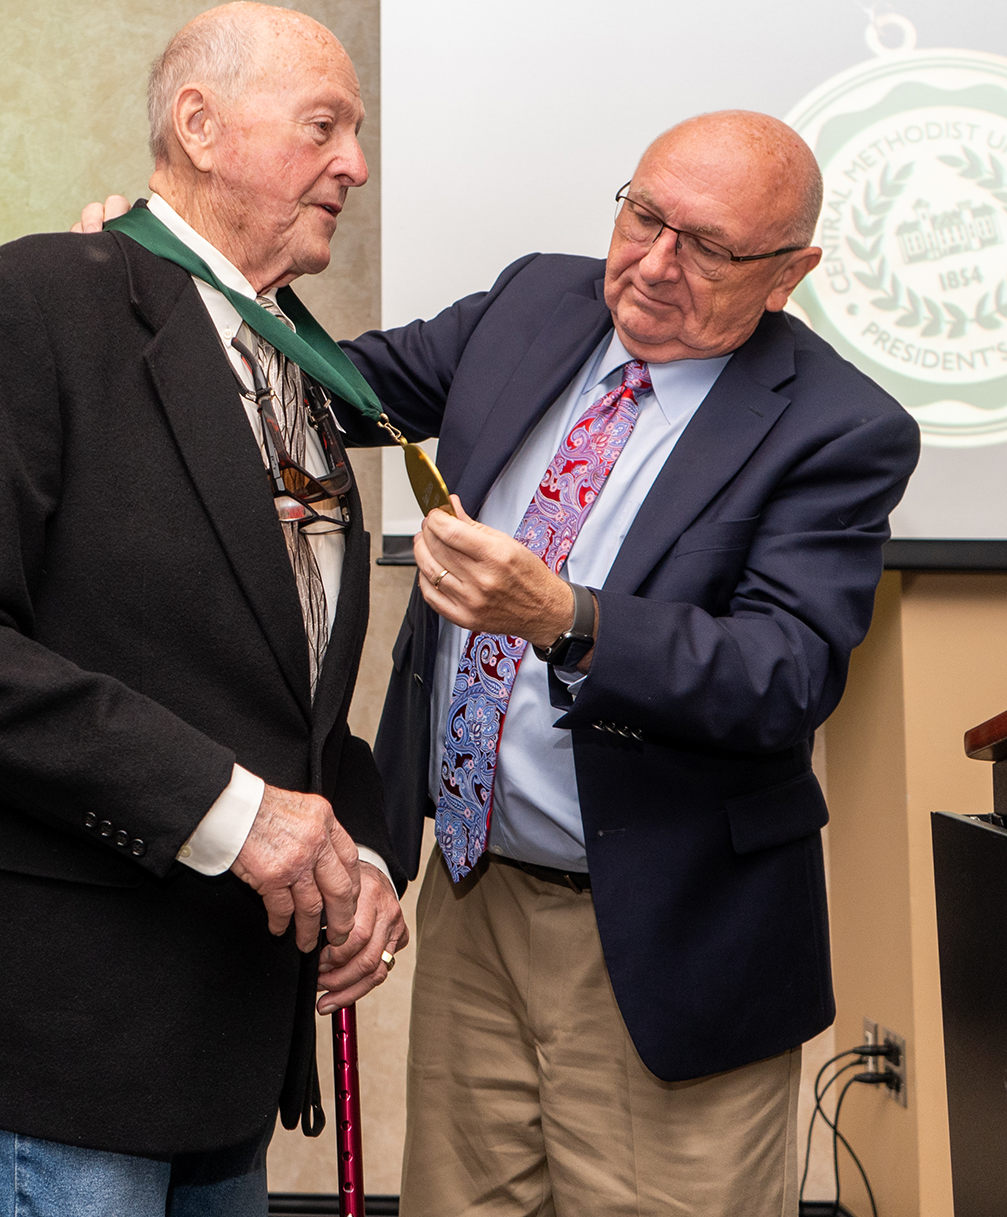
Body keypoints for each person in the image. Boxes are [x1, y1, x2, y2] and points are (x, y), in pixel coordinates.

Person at [0, 2, 407, 1217]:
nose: (354, 166)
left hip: (230, 1016)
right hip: (75, 1018)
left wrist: (351, 848)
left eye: (356, 134)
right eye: (323, 126)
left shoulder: (296, 362)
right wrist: (230, 810)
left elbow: (282, 681)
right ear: (198, 126)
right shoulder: (38, 298)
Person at [341, 111, 918, 1213]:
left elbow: (782, 672)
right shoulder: (532, 304)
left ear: (787, 274)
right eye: (641, 215)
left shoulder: (839, 428)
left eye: (703, 246)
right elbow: (343, 381)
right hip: (478, 897)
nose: (652, 263)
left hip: (666, 927)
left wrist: (566, 617)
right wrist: (181, 270)